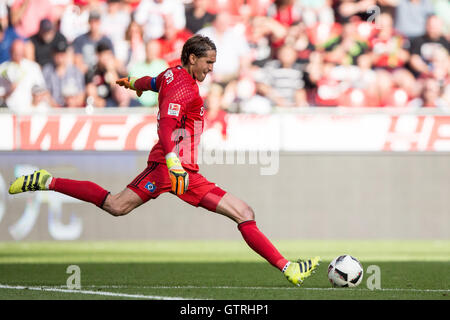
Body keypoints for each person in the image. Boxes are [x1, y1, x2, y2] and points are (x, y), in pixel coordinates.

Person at [8, 35, 320, 286]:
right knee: (239, 211)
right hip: (173, 170)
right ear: (193, 58)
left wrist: (133, 83)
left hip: (182, 171)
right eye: (209, 63)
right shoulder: (185, 90)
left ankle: (47, 180)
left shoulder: (173, 73)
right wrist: (172, 159)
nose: (211, 69)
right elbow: (166, 124)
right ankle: (287, 267)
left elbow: (153, 82)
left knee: (118, 205)